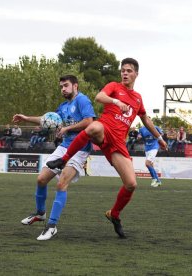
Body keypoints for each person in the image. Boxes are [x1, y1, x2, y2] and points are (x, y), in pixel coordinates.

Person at [47, 58, 167, 239]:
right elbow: (99, 97)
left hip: (118, 142)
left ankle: (114, 214)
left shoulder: (138, 98)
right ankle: (62, 161)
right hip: (105, 130)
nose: (124, 73)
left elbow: (146, 119)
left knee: (131, 184)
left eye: (128, 71)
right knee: (93, 127)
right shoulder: (114, 86)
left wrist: (159, 138)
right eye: (123, 70)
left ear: (136, 74)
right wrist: (116, 102)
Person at [13, 74, 95, 241]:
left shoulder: (82, 100)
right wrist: (26, 118)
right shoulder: (63, 106)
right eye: (61, 86)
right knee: (41, 179)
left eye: (66, 85)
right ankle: (40, 213)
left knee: (61, 183)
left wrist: (67, 128)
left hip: (80, 148)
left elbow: (89, 121)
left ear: (75, 86)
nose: (63, 89)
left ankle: (51, 226)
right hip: (64, 146)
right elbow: (47, 120)